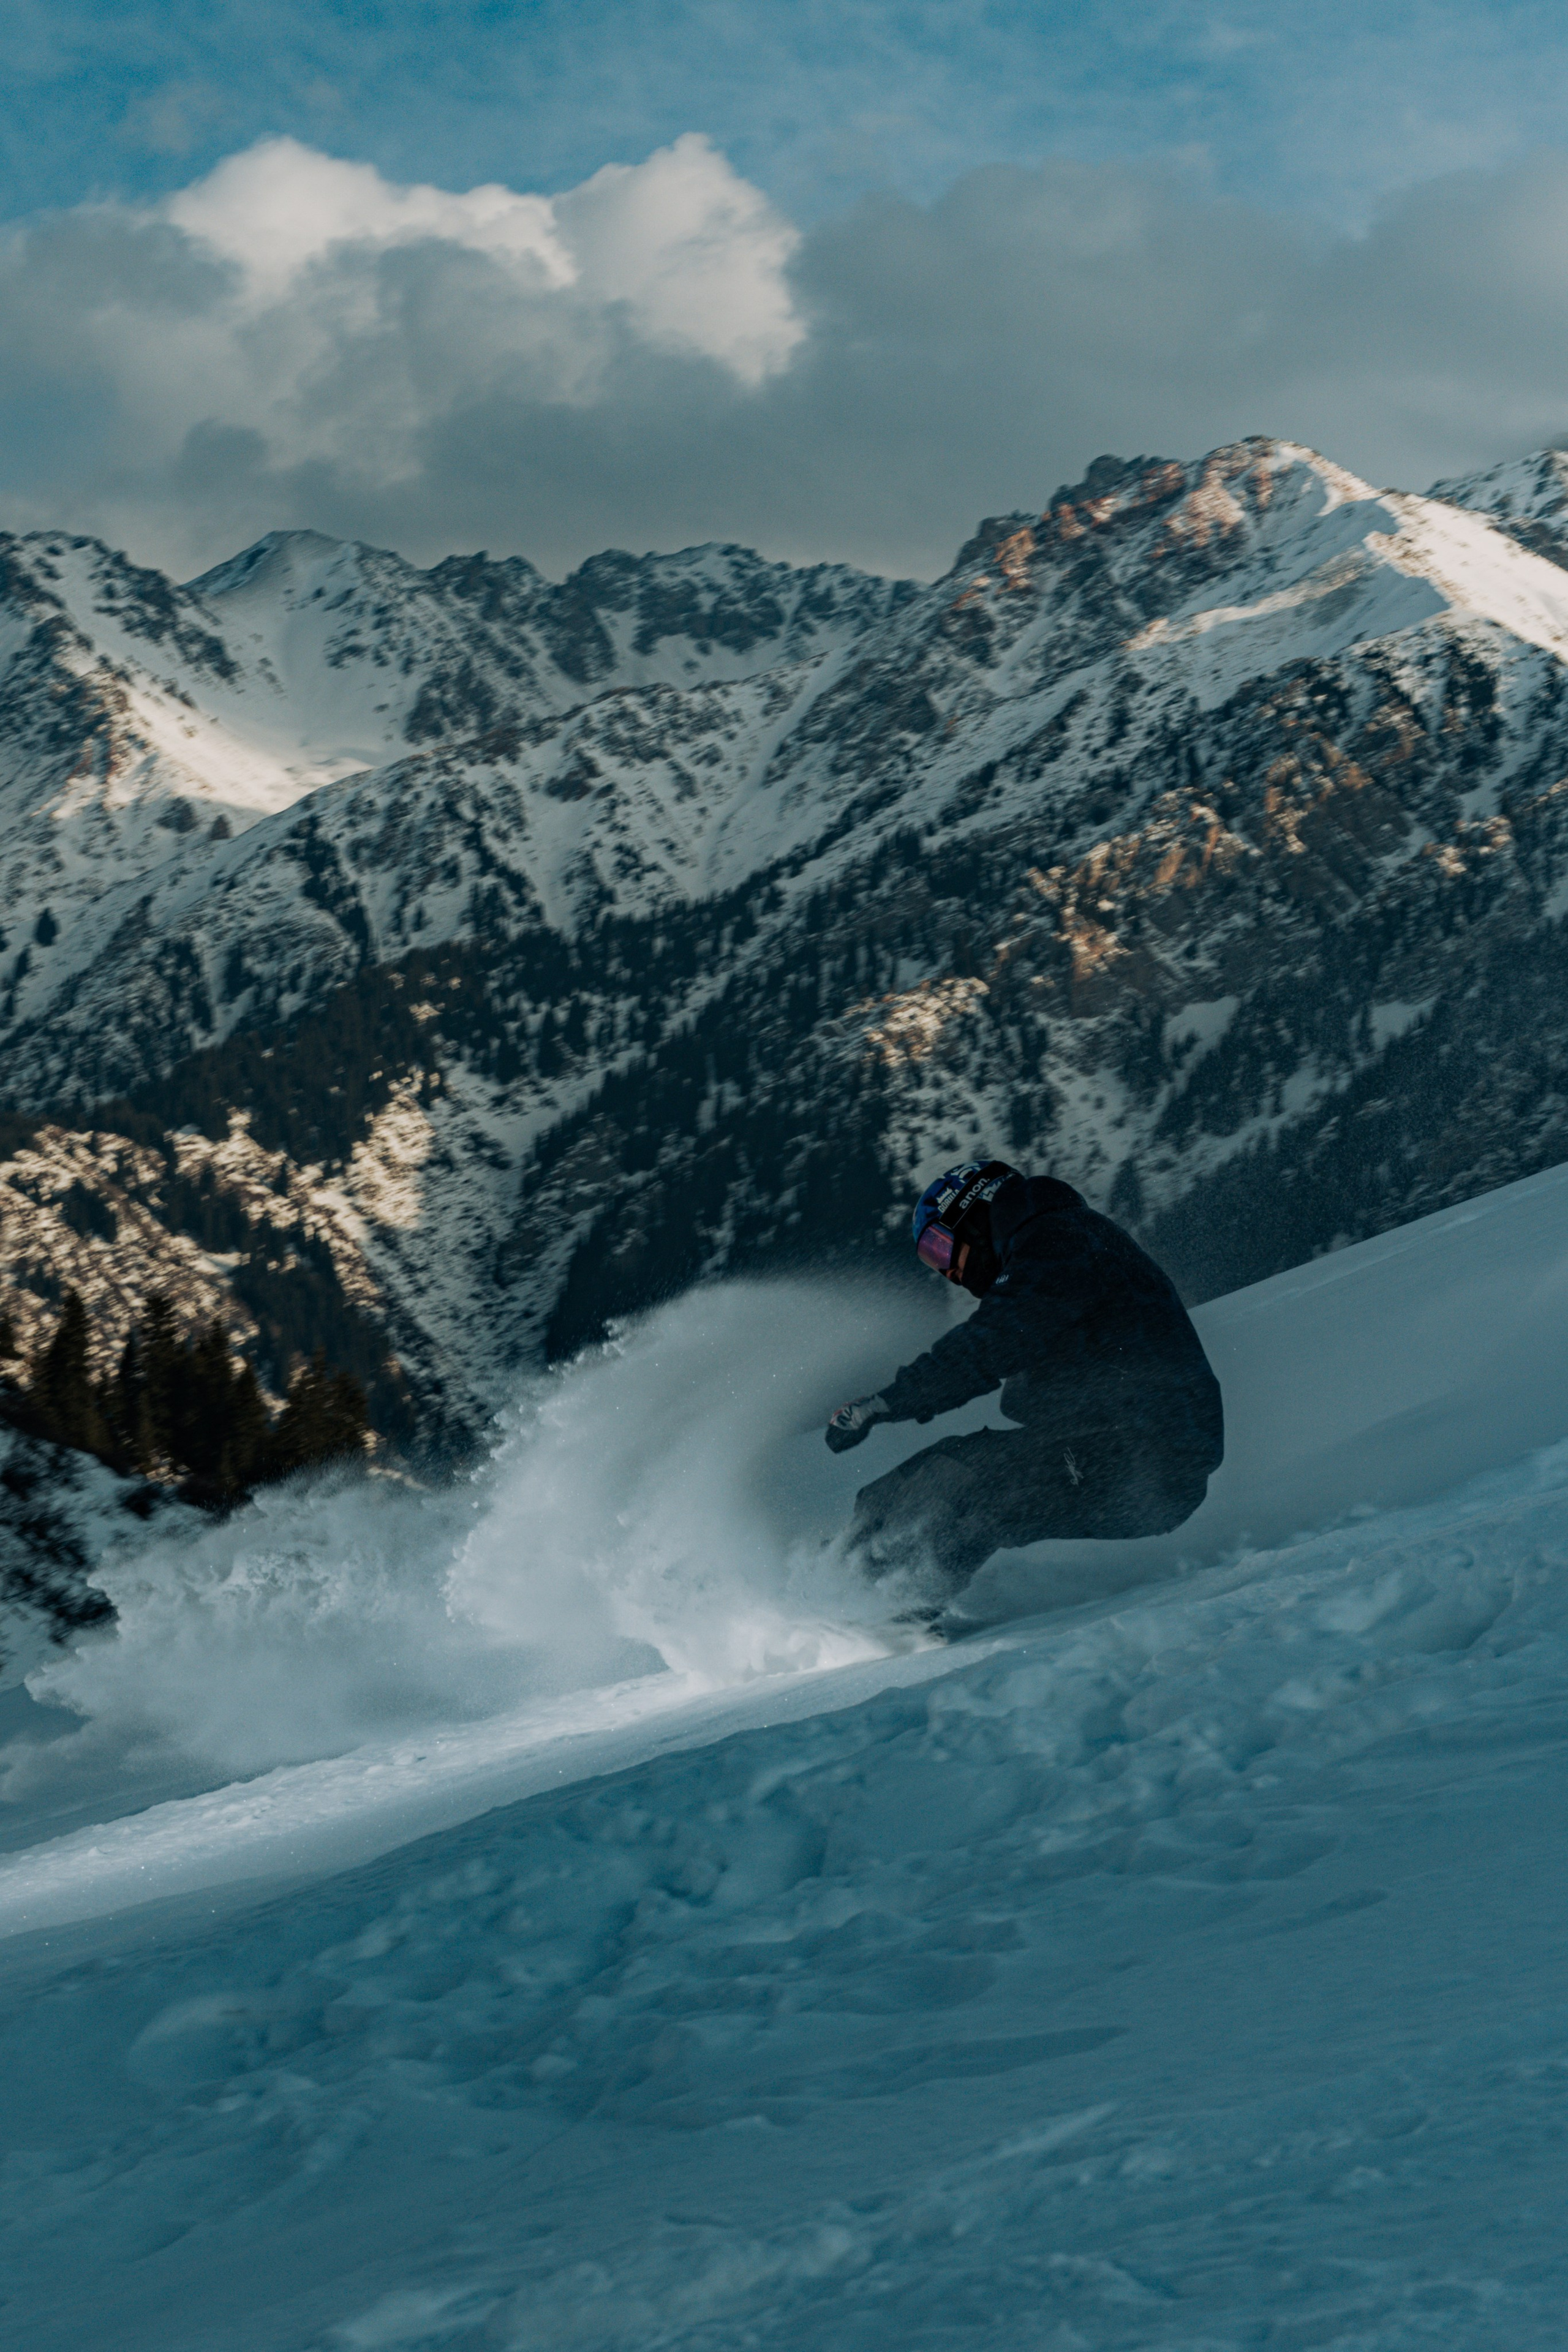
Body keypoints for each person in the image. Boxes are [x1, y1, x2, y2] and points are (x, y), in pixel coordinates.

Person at [825, 1159, 1223, 1600]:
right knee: (941, 1468)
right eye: (933, 1260)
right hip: (1117, 1441)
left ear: (974, 1217)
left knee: (975, 1486)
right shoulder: (1056, 1240)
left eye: (942, 1248)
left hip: (1146, 1456)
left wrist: (889, 1402)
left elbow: (993, 1341)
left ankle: (896, 1605)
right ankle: (840, 1571)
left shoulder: (1059, 1242)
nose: (951, 1273)